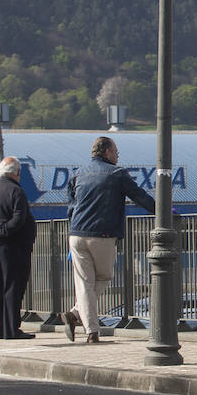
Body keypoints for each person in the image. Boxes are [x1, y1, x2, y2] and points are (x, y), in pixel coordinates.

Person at [63, 137, 155, 345]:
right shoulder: (117, 174)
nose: (117, 155)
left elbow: (70, 206)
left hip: (77, 234)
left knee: (84, 283)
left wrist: (73, 227)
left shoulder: (77, 173)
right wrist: (162, 211)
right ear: (106, 152)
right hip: (102, 235)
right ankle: (88, 327)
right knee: (103, 277)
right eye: (115, 152)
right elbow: (140, 196)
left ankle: (79, 317)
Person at [0, 156, 37, 340]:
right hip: (13, 246)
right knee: (13, 286)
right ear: (17, 173)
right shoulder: (16, 192)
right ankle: (11, 329)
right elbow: (18, 219)